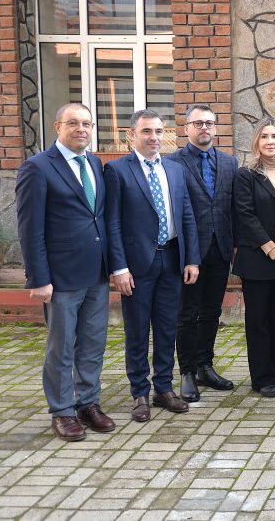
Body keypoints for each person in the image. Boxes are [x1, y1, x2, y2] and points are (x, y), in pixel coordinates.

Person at [16, 103, 114, 441]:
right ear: (58, 126)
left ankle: (87, 402)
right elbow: (30, 229)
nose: (81, 129)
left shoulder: (95, 164)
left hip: (96, 273)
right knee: (62, 347)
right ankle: (61, 410)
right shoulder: (38, 167)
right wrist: (38, 278)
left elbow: (97, 218)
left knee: (93, 343)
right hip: (60, 277)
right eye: (73, 123)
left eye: (87, 123)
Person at [105, 109, 200, 422]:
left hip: (171, 259)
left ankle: (163, 388)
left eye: (159, 131)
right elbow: (113, 223)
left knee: (166, 327)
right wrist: (119, 268)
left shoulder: (174, 169)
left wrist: (191, 258)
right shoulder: (118, 171)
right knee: (137, 331)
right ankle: (139, 393)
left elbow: (186, 215)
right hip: (136, 265)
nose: (154, 137)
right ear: (132, 135)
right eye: (147, 131)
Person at [167, 104, 238, 402]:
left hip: (220, 248)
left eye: (209, 123)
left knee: (211, 311)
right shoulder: (172, 163)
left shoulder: (229, 162)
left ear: (216, 127)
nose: (204, 128)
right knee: (187, 314)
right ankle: (186, 372)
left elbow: (232, 206)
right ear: (186, 129)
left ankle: (204, 366)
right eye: (198, 124)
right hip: (188, 253)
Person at [232, 119, 275, 398]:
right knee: (258, 319)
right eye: (265, 137)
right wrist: (269, 246)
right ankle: (263, 377)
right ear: (256, 142)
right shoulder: (245, 175)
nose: (270, 141)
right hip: (258, 256)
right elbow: (244, 215)